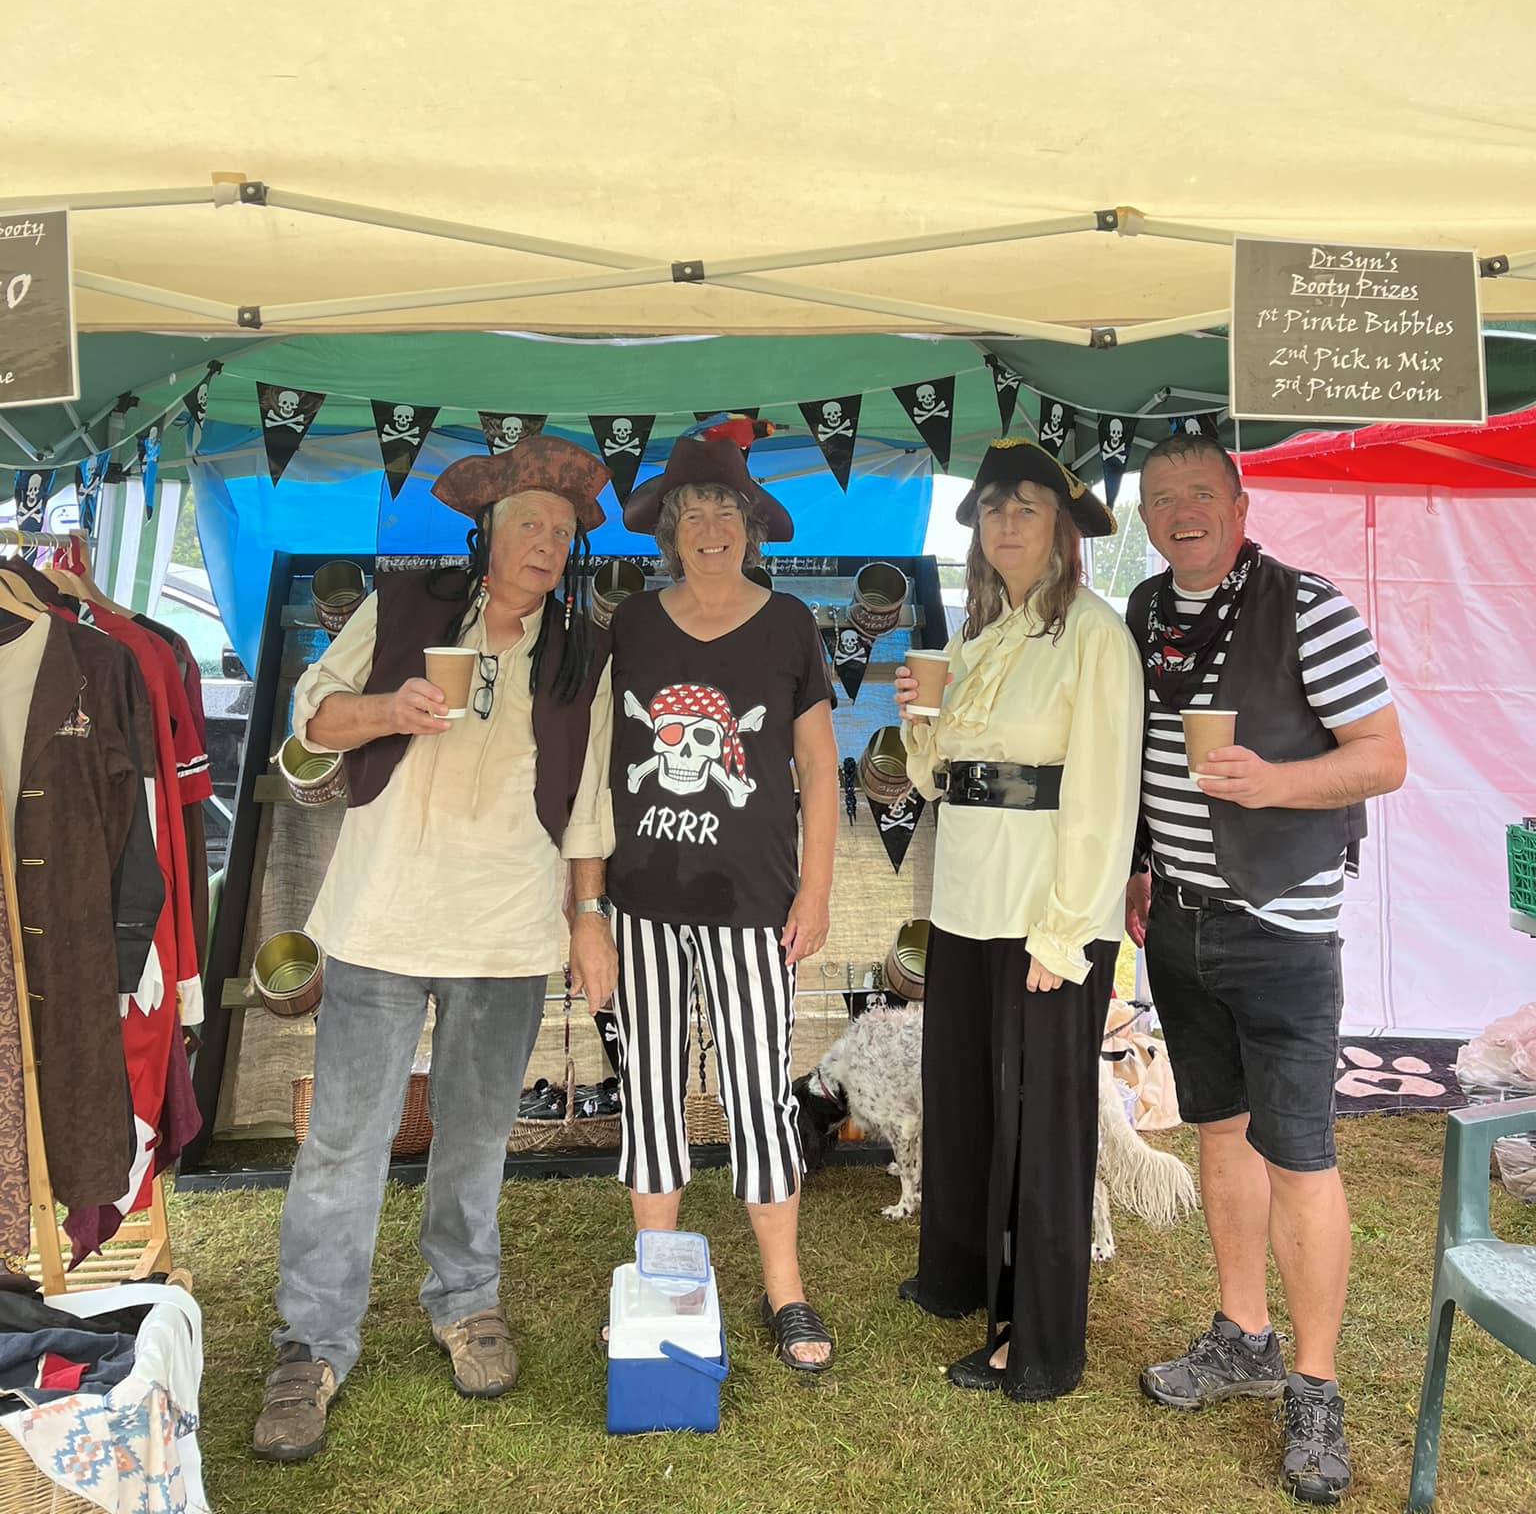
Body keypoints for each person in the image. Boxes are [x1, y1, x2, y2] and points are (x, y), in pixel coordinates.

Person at [253, 435, 619, 1463]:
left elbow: (589, 802)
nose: (546, 541)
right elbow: (313, 716)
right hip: (382, 915)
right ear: (487, 534)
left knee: (475, 1134)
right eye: (528, 523)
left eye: (563, 529)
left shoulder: (583, 651)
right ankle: (312, 1341)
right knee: (344, 1139)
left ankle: (465, 1299)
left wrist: (588, 915)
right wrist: (391, 708)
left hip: (507, 925)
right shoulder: (405, 608)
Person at [1124, 432, 1406, 1507]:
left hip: (1284, 926)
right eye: (1161, 497)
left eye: (1200, 492)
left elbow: (1383, 755)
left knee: (1300, 1154)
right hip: (1181, 921)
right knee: (1218, 1128)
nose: (1181, 511)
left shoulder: (1308, 607)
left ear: (1241, 505)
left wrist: (1274, 782)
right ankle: (1243, 1333)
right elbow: (1149, 757)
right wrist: (1144, 863)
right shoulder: (1147, 609)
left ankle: (1315, 1387)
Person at [581, 427, 840, 1373]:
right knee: (649, 1089)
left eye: (726, 509)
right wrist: (588, 907)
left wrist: (816, 889)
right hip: (642, 904)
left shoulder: (790, 625)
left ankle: (785, 1288)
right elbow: (595, 771)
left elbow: (819, 766)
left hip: (755, 907)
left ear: (750, 526)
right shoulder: (632, 627)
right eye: (692, 512)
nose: (710, 527)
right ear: (670, 532)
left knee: (758, 1094)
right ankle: (655, 1277)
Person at [895, 436, 1142, 1402]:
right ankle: (959, 1275)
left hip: (1043, 910)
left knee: (1039, 1121)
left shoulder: (1095, 635)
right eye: (993, 507)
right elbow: (936, 781)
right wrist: (921, 721)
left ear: (1063, 531)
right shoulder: (977, 637)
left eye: (1026, 506)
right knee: (965, 1093)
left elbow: (1105, 795)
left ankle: (1035, 1339)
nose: (1005, 522)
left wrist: (1068, 932)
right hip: (966, 900)